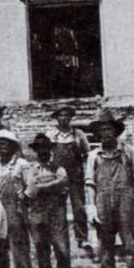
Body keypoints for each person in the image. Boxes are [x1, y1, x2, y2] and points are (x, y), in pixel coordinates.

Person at [85, 109, 134, 268]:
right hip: (102, 201)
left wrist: (129, 195)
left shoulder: (129, 151)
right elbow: (90, 184)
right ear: (98, 134)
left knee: (131, 244)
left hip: (125, 200)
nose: (105, 133)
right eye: (101, 130)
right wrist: (91, 207)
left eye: (108, 129)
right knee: (105, 246)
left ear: (115, 131)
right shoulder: (93, 156)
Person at [0, 129, 35, 268]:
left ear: (12, 147)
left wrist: (25, 197)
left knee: (19, 251)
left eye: (4, 145)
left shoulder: (21, 164)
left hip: (16, 211)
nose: (0, 149)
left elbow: (32, 186)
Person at [24, 134, 71, 268]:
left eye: (46, 148)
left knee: (62, 249)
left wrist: (43, 186)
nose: (43, 151)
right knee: (41, 250)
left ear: (50, 150)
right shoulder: (31, 169)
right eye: (39, 149)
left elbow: (64, 182)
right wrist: (52, 184)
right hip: (37, 212)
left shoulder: (59, 167)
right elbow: (31, 189)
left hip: (56, 211)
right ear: (36, 151)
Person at [46, 106, 92, 253]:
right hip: (58, 178)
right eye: (61, 116)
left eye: (67, 116)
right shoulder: (51, 135)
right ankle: (57, 238)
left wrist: (83, 170)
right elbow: (46, 155)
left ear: (71, 118)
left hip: (75, 177)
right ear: (56, 118)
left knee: (79, 208)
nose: (64, 118)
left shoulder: (78, 134)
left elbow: (87, 154)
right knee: (57, 208)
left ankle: (82, 238)